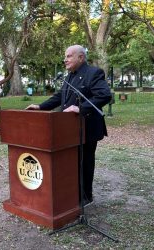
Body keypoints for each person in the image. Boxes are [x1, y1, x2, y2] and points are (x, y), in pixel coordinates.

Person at [26, 45, 112, 206]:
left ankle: (86, 197)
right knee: (72, 163)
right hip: (69, 129)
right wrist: (41, 107)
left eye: (69, 56)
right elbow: (60, 96)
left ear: (81, 57)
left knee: (85, 162)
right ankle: (73, 193)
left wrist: (81, 108)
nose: (65, 59)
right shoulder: (70, 76)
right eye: (65, 56)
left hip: (87, 128)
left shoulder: (93, 73)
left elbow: (104, 95)